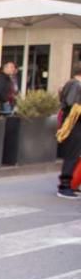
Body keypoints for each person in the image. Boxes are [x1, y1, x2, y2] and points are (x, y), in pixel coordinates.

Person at [56, 65, 81, 199]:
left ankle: (68, 184)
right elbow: (72, 104)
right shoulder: (75, 85)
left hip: (73, 124)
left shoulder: (71, 84)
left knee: (73, 154)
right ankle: (64, 186)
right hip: (74, 124)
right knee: (72, 155)